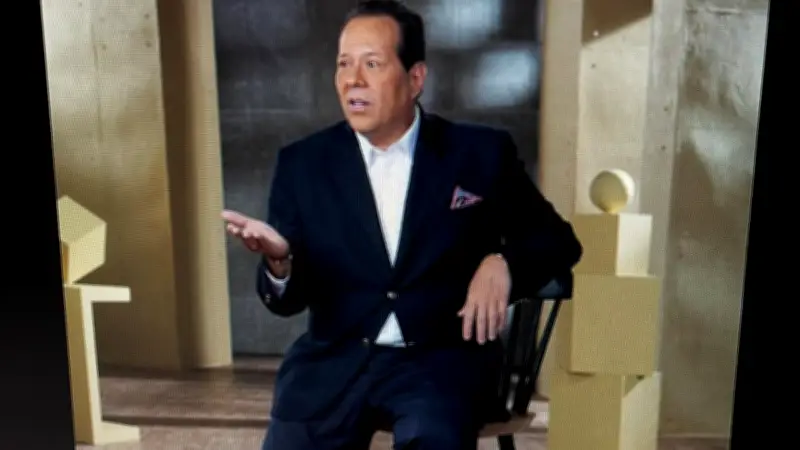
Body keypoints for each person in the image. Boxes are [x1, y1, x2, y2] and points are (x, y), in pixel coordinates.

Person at [222, 1, 582, 449]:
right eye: (344, 64)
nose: (353, 80)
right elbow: (288, 302)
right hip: (336, 363)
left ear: (415, 78)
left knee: (433, 435)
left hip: (439, 364)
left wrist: (503, 261)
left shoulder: (478, 153)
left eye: (372, 64)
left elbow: (559, 242)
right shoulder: (303, 164)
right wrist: (281, 261)